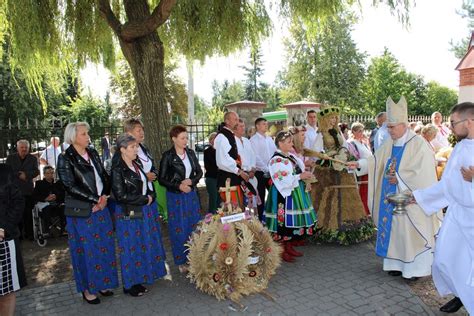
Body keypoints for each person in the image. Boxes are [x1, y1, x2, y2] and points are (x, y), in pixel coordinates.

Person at [348, 96, 441, 279]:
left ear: (404, 125)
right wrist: (358, 164)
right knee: (394, 229)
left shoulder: (418, 144)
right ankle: (395, 263)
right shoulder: (390, 142)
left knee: (408, 230)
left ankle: (415, 269)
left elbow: (423, 173)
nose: (388, 130)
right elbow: (375, 160)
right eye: (387, 127)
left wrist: (398, 178)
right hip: (389, 195)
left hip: (409, 198)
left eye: (391, 127)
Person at [412, 102, 474, 314]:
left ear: (469, 121)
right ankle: (460, 294)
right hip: (458, 213)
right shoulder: (460, 147)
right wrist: (418, 197)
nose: (451, 127)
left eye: (453, 122)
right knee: (444, 257)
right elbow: (447, 183)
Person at [57, 122, 118, 304]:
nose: (88, 137)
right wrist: (94, 199)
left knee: (105, 246)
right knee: (86, 250)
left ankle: (103, 283)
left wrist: (105, 196)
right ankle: (88, 288)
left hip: (101, 206)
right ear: (73, 137)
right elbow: (69, 185)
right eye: (84, 134)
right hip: (83, 212)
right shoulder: (65, 158)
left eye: (87, 133)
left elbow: (104, 176)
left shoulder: (92, 152)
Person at [111, 134, 167, 297]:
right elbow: (120, 195)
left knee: (141, 242)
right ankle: (130, 284)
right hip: (128, 212)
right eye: (132, 147)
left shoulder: (136, 164)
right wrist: (144, 199)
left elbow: (147, 183)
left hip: (141, 208)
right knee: (130, 246)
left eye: (136, 146)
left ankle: (141, 277)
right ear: (122, 150)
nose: (136, 149)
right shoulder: (117, 169)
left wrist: (151, 195)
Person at [305, 106, 368, 242]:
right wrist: (327, 155)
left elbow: (345, 145)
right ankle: (327, 227)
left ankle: (349, 226)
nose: (333, 120)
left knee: (346, 196)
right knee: (327, 195)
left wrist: (342, 154)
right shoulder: (321, 134)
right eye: (331, 117)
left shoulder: (337, 132)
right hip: (327, 170)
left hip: (341, 166)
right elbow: (315, 152)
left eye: (335, 117)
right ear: (326, 119)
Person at [265, 131, 317, 262]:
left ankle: (288, 246)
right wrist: (300, 176)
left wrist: (305, 176)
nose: (292, 144)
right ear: (280, 143)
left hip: (293, 192)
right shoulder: (276, 160)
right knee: (282, 221)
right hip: (283, 195)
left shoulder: (289, 157)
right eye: (289, 142)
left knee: (290, 222)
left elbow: (299, 169)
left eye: (291, 141)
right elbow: (282, 179)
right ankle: (281, 250)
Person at [158, 125, 203, 273]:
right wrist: (178, 186)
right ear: (174, 139)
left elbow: (199, 171)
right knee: (179, 228)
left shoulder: (190, 153)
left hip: (191, 195)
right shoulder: (168, 156)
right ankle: (181, 261)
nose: (186, 140)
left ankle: (195, 258)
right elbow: (162, 179)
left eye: (186, 137)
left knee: (194, 226)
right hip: (176, 197)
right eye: (182, 138)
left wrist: (192, 181)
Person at [0, 164, 27, 316]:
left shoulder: (5, 172)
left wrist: (4, 228)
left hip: (4, 241)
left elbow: (18, 202)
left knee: (6, 292)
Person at [6, 139, 39, 240]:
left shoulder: (33, 159)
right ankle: (18, 235)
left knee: (28, 213)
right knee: (16, 214)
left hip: (27, 190)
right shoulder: (11, 158)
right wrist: (19, 174)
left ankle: (29, 234)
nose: (24, 149)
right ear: (17, 148)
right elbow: (7, 171)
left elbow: (36, 171)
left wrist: (27, 175)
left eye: (26, 148)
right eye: (22, 147)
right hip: (14, 191)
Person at [215, 112, 248, 207]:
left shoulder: (229, 135)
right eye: (235, 119)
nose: (237, 122)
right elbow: (222, 160)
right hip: (227, 180)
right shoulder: (222, 136)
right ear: (227, 121)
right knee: (231, 210)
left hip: (233, 178)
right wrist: (239, 171)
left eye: (238, 119)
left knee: (237, 208)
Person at [250, 117, 277, 220]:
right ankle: (261, 219)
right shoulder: (253, 140)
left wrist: (274, 167)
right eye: (264, 124)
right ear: (257, 126)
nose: (266, 125)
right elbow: (255, 156)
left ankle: (273, 218)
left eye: (267, 124)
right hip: (260, 173)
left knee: (274, 195)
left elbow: (275, 153)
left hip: (271, 172)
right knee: (260, 197)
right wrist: (266, 168)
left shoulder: (269, 139)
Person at [348, 122, 373, 215]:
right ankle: (363, 212)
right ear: (353, 132)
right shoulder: (351, 143)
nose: (361, 133)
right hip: (360, 171)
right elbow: (353, 157)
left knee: (368, 193)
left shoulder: (364, 143)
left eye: (362, 131)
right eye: (359, 131)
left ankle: (368, 210)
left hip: (368, 170)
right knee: (362, 192)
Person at [33, 166, 65, 233]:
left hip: (57, 205)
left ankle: (63, 229)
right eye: (47, 173)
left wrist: (56, 197)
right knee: (47, 209)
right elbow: (35, 196)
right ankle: (46, 231)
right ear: (44, 174)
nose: (50, 175)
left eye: (51, 173)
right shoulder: (39, 184)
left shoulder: (58, 184)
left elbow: (62, 195)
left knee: (64, 208)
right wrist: (45, 198)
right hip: (45, 206)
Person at [234, 119, 259, 210]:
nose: (243, 128)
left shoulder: (246, 140)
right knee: (242, 203)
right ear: (235, 128)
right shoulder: (232, 141)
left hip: (251, 174)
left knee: (253, 203)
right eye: (240, 126)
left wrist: (252, 169)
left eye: (243, 126)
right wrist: (243, 172)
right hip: (240, 175)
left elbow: (253, 155)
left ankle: (254, 222)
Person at [204, 132, 220, 213]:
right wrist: (219, 167)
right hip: (211, 178)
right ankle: (211, 217)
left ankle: (219, 217)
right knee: (213, 198)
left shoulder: (221, 150)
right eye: (213, 138)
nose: (215, 139)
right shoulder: (207, 151)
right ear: (210, 140)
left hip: (220, 178)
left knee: (220, 199)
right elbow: (208, 167)